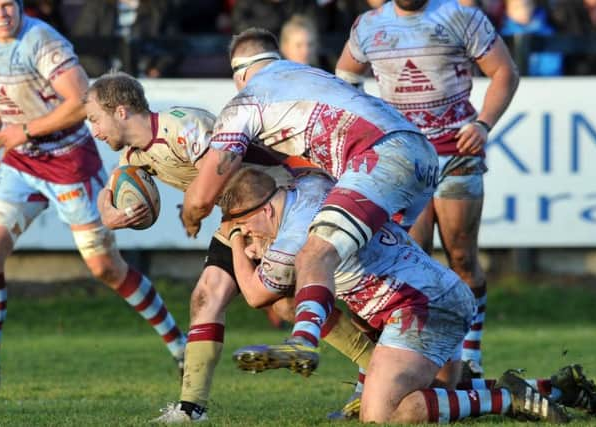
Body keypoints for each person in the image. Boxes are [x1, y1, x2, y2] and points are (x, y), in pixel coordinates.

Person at [83, 72, 377, 423]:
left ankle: (378, 368)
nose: (94, 131)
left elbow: (226, 175)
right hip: (237, 217)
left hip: (276, 204)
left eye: (94, 119)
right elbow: (113, 188)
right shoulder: (134, 156)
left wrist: (195, 209)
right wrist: (110, 212)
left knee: (284, 303)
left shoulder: (184, 126)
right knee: (208, 296)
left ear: (120, 111)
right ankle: (191, 409)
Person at [180, 27, 439, 376]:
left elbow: (202, 194)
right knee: (372, 276)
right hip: (422, 154)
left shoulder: (246, 101)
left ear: (239, 74)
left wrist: (192, 215)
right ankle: (422, 379)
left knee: (315, 254)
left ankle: (302, 340)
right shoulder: (307, 73)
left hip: (377, 157)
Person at [219, 167, 570, 424]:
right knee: (439, 393)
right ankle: (556, 389)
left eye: (247, 229)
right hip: (434, 293)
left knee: (384, 415)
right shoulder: (314, 184)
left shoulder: (294, 234)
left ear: (266, 211)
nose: (250, 242)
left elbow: (254, 295)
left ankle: (508, 399)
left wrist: (232, 240)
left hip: (419, 307)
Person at [0, 0, 185, 392]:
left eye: (8, 4)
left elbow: (83, 102)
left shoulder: (43, 41)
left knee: (105, 268)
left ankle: (181, 348)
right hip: (22, 163)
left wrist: (24, 131)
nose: (2, 13)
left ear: (20, 5)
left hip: (68, 161)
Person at [335, 0, 520, 378]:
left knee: (463, 258)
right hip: (404, 159)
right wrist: (366, 123)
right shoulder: (370, 26)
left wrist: (483, 124)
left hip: (456, 153)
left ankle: (471, 356)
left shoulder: (460, 16)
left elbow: (504, 71)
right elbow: (344, 76)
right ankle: (428, 360)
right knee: (411, 260)